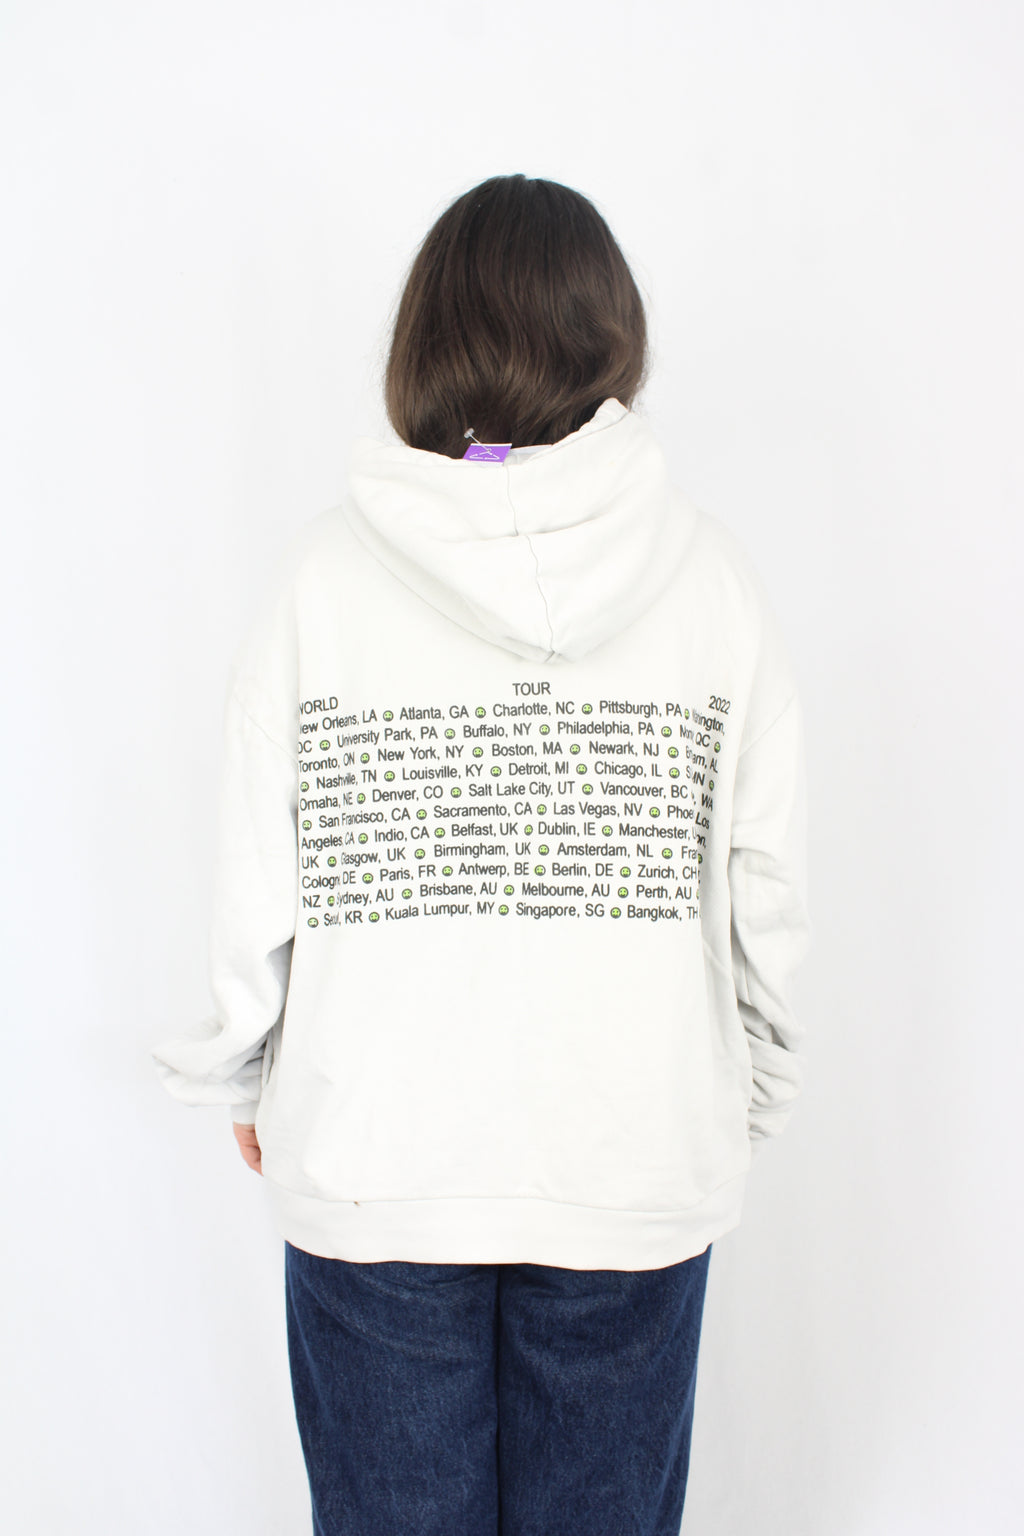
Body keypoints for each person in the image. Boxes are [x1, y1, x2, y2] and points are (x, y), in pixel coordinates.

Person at [151, 173, 812, 1536]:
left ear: (425, 339)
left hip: (378, 1158)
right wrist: (745, 1085)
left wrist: (243, 1063)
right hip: (633, 1149)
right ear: (610, 335)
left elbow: (257, 861)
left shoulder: (324, 580)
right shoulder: (711, 581)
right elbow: (767, 882)